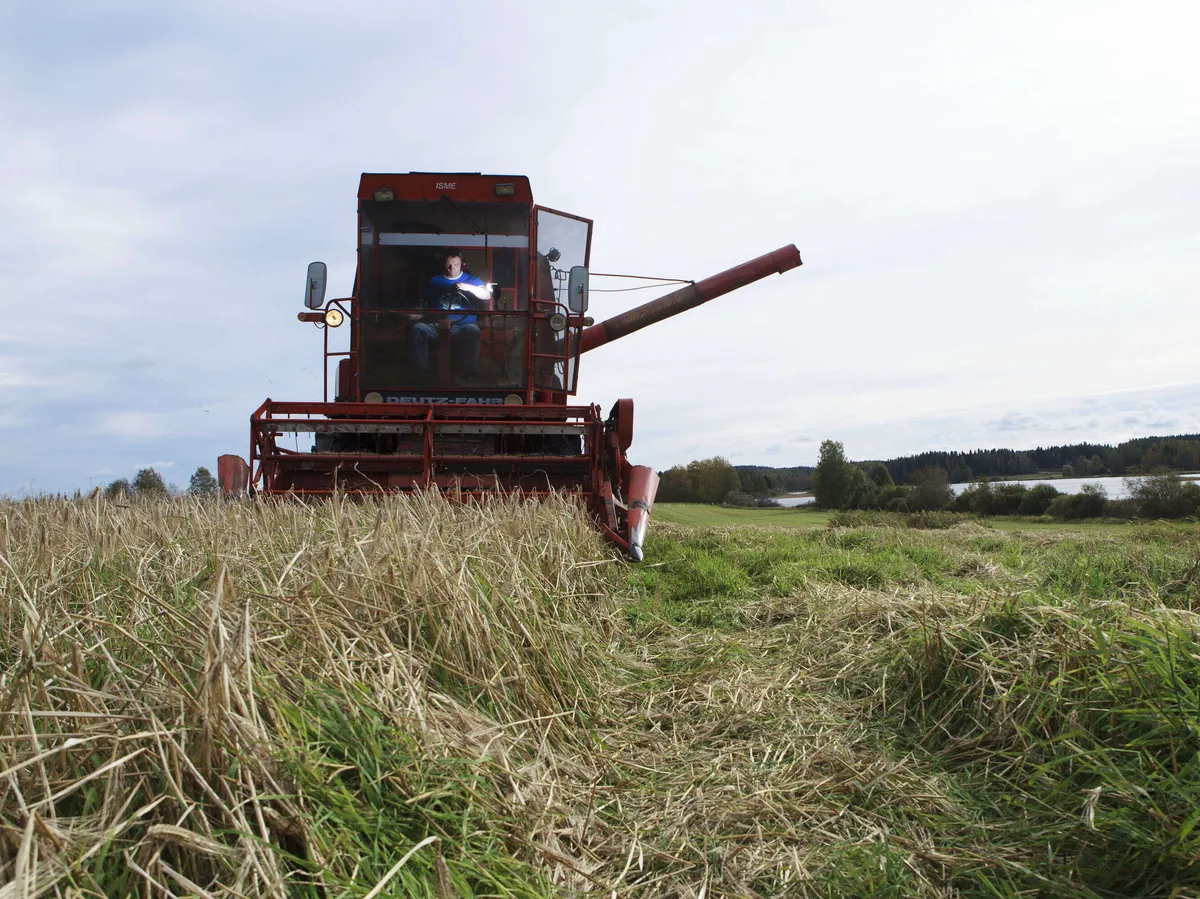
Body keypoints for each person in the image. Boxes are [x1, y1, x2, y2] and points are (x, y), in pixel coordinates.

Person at [409, 249, 492, 375]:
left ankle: (470, 371)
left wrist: (467, 287)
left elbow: (486, 295)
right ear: (444, 264)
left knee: (473, 330)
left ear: (462, 265)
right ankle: (421, 372)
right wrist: (417, 314)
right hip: (436, 327)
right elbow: (422, 304)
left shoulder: (471, 280)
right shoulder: (434, 282)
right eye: (449, 264)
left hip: (462, 327)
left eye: (456, 264)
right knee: (418, 329)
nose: (452, 267)